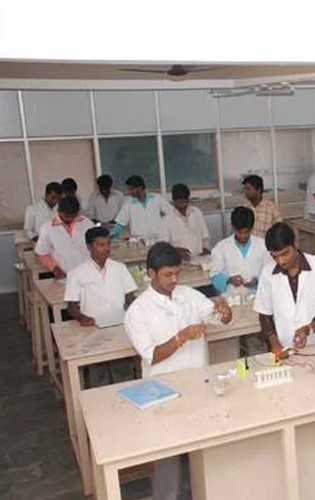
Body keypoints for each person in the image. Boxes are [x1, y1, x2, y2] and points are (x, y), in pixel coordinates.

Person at [125, 242, 232, 500]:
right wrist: (181, 337)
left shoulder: (188, 295)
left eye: (177, 273)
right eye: (167, 275)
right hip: (162, 391)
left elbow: (218, 318)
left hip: (198, 382)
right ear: (151, 273)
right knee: (168, 456)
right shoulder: (137, 311)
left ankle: (206, 493)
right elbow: (151, 356)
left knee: (204, 448)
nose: (174, 280)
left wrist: (225, 311)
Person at [254, 222, 315, 471]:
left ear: (296, 245)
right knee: (290, 403)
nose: (280, 261)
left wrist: (309, 328)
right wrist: (273, 342)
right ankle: (300, 464)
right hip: (287, 348)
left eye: (285, 254)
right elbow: (264, 315)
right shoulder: (268, 274)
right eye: (275, 256)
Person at [64, 226, 138, 385]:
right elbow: (71, 305)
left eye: (108, 244)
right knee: (98, 373)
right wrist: (81, 317)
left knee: (122, 368)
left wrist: (129, 311)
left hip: (118, 324)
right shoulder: (77, 273)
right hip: (93, 328)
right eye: (100, 245)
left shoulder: (119, 268)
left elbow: (130, 296)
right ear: (89, 247)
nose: (106, 249)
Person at [210, 207, 271, 294]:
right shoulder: (221, 247)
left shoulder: (263, 245)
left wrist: (257, 280)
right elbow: (215, 275)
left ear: (252, 228)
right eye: (239, 232)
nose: (243, 236)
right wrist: (228, 279)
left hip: (257, 295)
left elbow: (269, 270)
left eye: (246, 232)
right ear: (233, 227)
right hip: (232, 296)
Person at [35, 196, 95, 279]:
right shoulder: (47, 228)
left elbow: (96, 245)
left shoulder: (87, 223)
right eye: (66, 216)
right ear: (59, 211)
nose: (70, 218)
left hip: (89, 273)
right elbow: (42, 254)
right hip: (65, 275)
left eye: (73, 215)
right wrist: (55, 269)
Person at [111, 175, 173, 240]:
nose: (129, 192)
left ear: (140, 187)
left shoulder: (157, 198)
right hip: (138, 242)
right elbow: (119, 224)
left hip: (158, 239)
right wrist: (111, 238)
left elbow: (172, 213)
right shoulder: (128, 204)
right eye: (128, 189)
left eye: (131, 189)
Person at [160, 184, 211, 261]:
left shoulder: (196, 212)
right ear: (174, 201)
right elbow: (163, 246)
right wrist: (177, 250)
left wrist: (205, 248)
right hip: (179, 261)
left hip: (199, 259)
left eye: (185, 201)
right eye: (180, 202)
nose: (183, 205)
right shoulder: (167, 219)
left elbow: (205, 236)